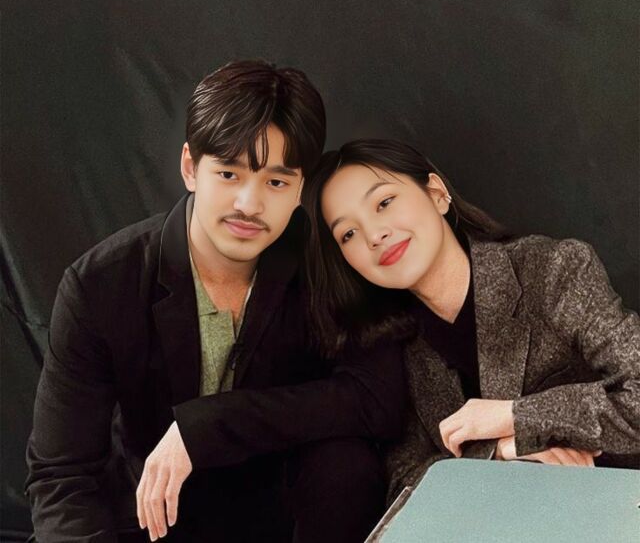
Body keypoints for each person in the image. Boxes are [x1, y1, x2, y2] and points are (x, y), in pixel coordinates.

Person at [26, 63, 405, 543]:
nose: (249, 204)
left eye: (276, 182)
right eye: (228, 173)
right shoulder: (101, 283)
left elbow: (377, 398)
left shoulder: (325, 261)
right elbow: (61, 474)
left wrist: (206, 426)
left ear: (301, 188)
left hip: (277, 519)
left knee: (346, 464)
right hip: (153, 520)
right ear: (190, 167)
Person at [302, 138, 640, 503]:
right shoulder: (390, 344)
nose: (373, 235)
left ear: (436, 194)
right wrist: (498, 454)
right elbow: (403, 479)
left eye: (384, 203)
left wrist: (515, 417)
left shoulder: (552, 269)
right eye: (348, 234)